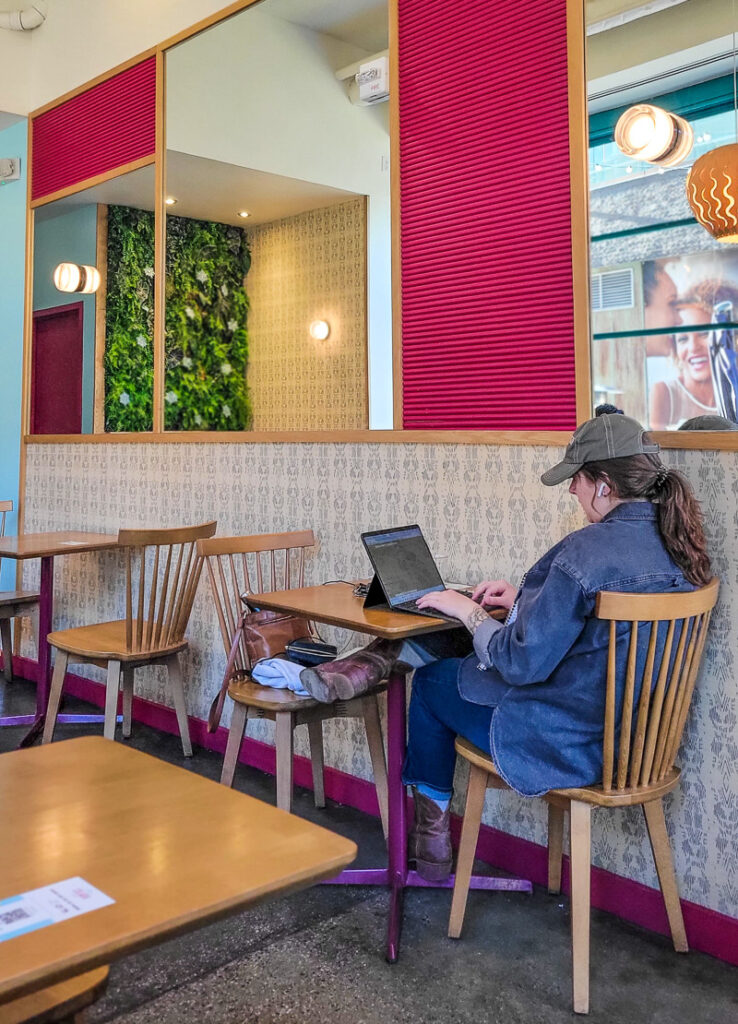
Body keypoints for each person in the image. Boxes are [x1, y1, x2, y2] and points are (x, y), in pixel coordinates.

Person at [400, 413, 712, 881]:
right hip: (638, 747)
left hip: (567, 747)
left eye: (577, 480)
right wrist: (526, 600)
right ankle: (369, 664)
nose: (571, 491)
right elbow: (603, 637)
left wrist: (466, 610)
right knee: (450, 665)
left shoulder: (584, 553)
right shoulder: (682, 546)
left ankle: (431, 848)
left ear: (603, 485)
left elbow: (520, 663)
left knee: (429, 682)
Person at [649, 301, 718, 429]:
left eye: (704, 334)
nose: (693, 347)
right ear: (675, 348)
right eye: (683, 339)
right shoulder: (664, 392)